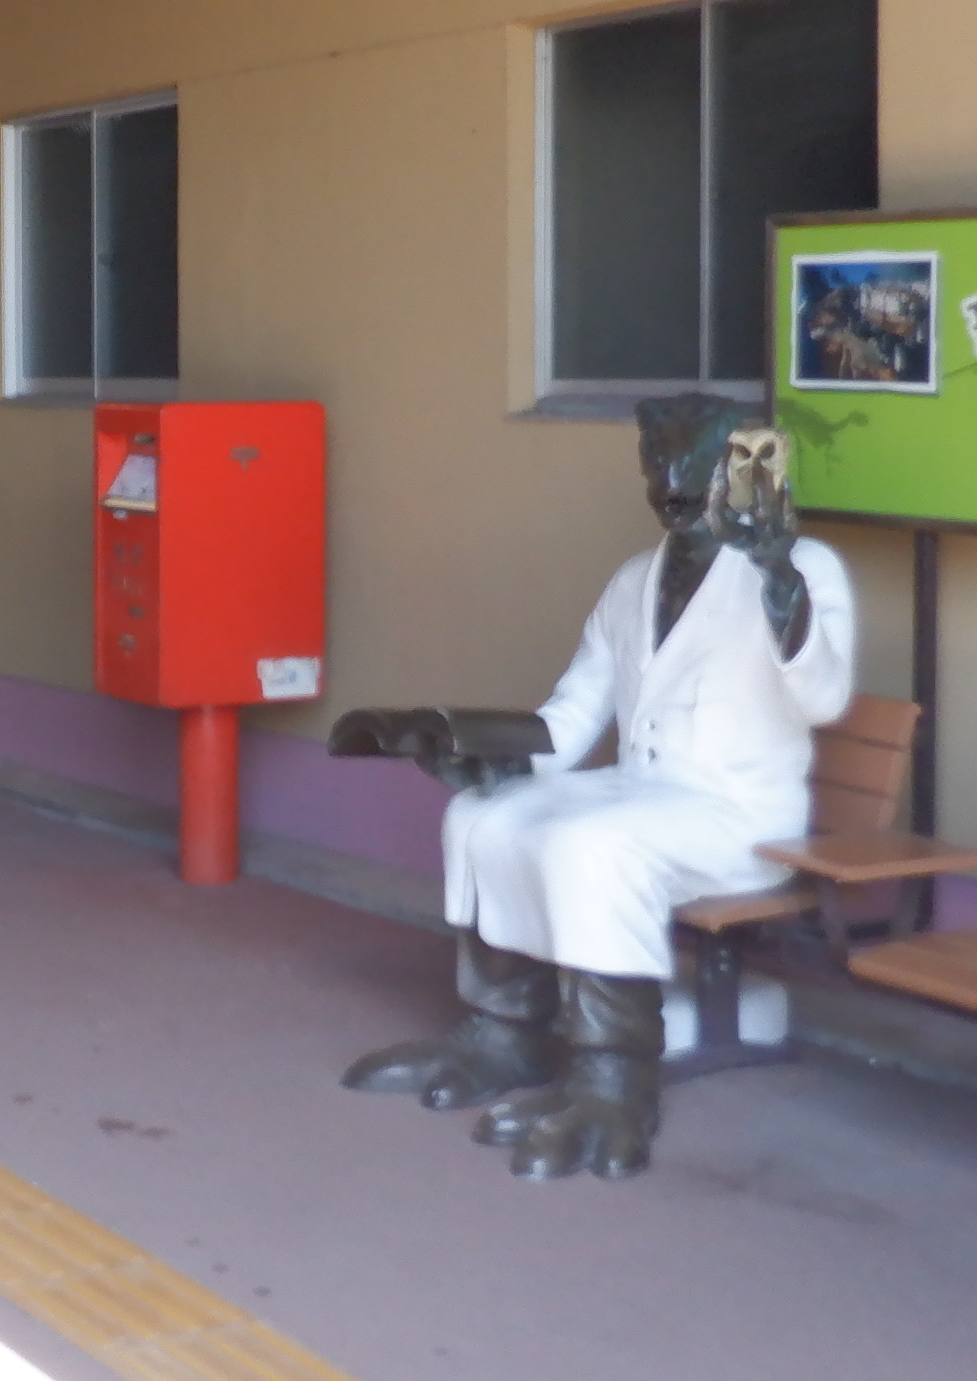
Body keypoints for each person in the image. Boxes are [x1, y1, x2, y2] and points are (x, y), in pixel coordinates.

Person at [327, 393, 855, 1178]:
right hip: (643, 794)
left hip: (738, 816)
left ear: (737, 469)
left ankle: (614, 1081)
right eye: (656, 463)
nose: (670, 484)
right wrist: (493, 756)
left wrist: (777, 578)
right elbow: (574, 711)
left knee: (591, 846)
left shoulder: (804, 569)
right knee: (482, 814)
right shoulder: (634, 580)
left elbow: (824, 699)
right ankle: (504, 1032)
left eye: (693, 466)